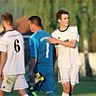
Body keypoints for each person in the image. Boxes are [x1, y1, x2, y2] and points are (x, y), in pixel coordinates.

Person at [47, 10, 81, 96]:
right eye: (64, 18)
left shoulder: (73, 29)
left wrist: (57, 41)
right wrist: (52, 64)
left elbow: (72, 44)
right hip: (63, 64)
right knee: (66, 89)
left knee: (70, 92)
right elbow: (56, 52)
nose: (67, 20)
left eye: (68, 18)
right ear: (59, 20)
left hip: (74, 63)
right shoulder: (54, 34)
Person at [0, 12, 29, 96]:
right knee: (22, 92)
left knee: (1, 91)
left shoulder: (5, 37)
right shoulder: (19, 35)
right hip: (19, 69)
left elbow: (4, 55)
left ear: (5, 22)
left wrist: (0, 69)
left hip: (9, 71)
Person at [28, 16, 55, 96]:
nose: (29, 27)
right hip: (49, 68)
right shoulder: (48, 35)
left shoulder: (34, 38)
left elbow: (34, 57)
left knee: (29, 88)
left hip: (39, 70)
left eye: (29, 25)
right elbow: (54, 52)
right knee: (50, 91)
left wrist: (30, 71)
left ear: (33, 25)